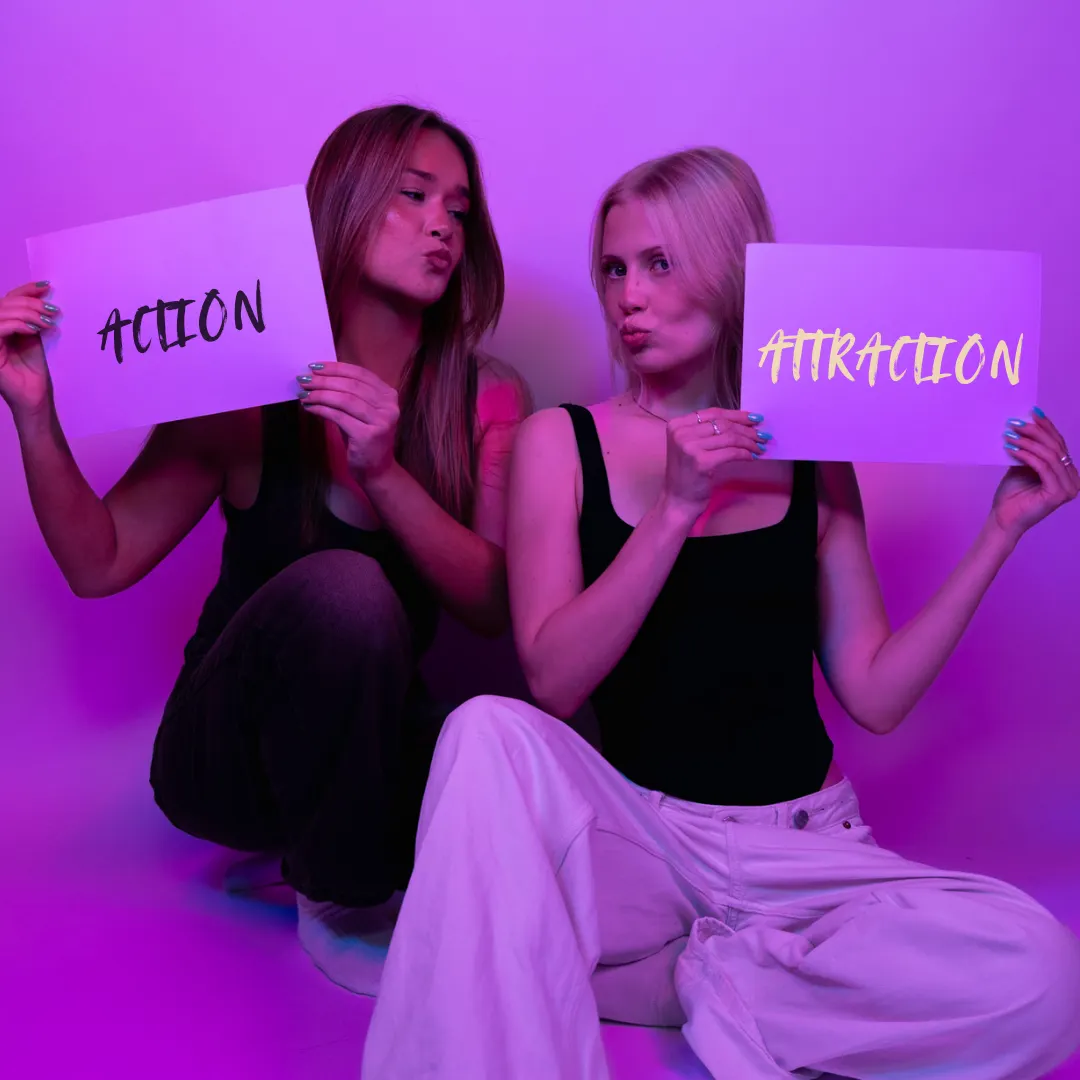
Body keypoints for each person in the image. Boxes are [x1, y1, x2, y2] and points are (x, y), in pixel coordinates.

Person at [361, 147, 1080, 1079]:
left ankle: (699, 977)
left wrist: (1001, 532)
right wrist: (674, 508)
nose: (629, 296)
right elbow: (552, 675)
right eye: (614, 269)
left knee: (1042, 975)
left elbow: (875, 693)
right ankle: (651, 981)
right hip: (639, 838)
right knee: (483, 732)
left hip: (804, 854)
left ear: (730, 272)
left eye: (660, 264)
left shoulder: (815, 455)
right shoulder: (561, 442)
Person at [0, 104, 530, 969]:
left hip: (375, 756)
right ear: (348, 199)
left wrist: (386, 469)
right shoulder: (243, 387)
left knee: (512, 747)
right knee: (346, 588)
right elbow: (98, 562)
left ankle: (361, 846)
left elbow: (489, 602)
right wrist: (35, 418)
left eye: (460, 210)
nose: (442, 224)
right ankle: (345, 894)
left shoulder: (485, 400)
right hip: (226, 761)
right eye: (414, 195)